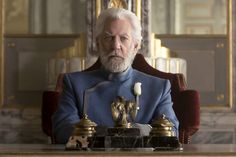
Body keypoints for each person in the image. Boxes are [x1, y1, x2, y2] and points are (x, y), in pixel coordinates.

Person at [52, 8, 179, 144]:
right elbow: (62, 130)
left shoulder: (159, 87)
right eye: (108, 37)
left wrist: (110, 133)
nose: (115, 45)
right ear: (97, 43)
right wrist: (121, 133)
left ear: (135, 46)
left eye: (123, 38)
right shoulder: (74, 84)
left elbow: (171, 133)